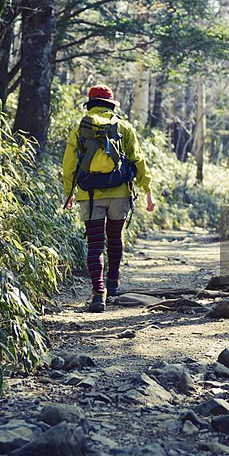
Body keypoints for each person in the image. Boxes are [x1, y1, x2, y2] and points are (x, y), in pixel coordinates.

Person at [63, 84, 154, 312]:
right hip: (119, 193)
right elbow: (138, 160)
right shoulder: (124, 127)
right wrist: (148, 191)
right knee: (114, 237)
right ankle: (113, 282)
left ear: (90, 104)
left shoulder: (79, 128)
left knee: (94, 244)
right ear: (111, 105)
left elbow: (69, 166)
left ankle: (98, 293)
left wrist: (69, 194)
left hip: (89, 194)